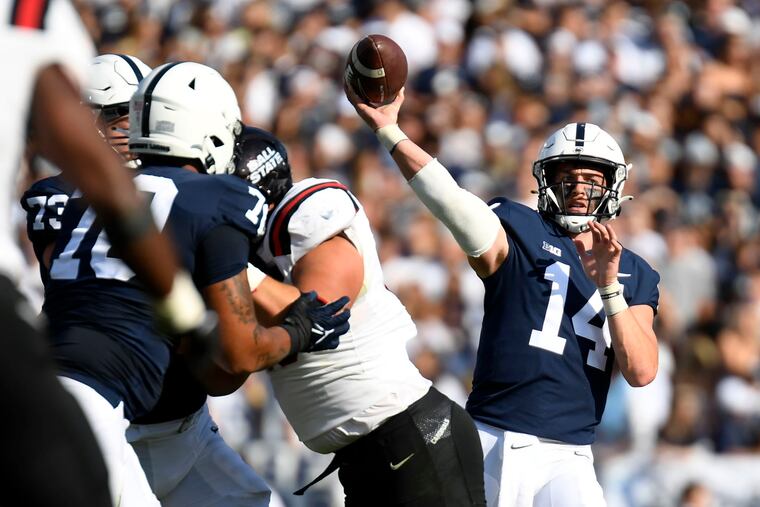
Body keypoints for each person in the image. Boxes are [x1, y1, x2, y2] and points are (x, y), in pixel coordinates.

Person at [38, 61, 349, 506]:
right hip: (95, 409)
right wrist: (299, 332)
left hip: (82, 395)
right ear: (212, 132)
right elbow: (241, 352)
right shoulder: (217, 198)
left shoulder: (73, 197)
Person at [347, 87, 659, 507]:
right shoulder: (519, 226)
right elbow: (452, 202)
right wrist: (390, 132)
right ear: (547, 181)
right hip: (496, 437)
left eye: (592, 179)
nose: (580, 189)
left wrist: (609, 286)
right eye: (568, 178)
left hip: (571, 454)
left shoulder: (634, 271)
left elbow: (641, 370)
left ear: (614, 185)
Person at [1, 2, 211, 505]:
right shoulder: (31, 14)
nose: (133, 128)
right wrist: (185, 310)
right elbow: (106, 197)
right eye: (121, 114)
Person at [234, 126, 487, 506]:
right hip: (369, 453)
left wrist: (234, 271)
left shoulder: (306, 222)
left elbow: (319, 312)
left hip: (414, 435)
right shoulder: (253, 259)